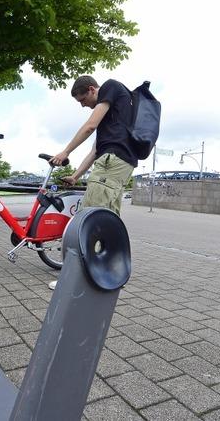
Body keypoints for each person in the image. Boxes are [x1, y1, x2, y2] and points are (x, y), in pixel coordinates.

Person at [48, 76, 136, 290]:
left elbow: (89, 127)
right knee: (109, 223)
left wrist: (65, 151)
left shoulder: (110, 87)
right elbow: (96, 150)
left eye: (82, 100)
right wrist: (76, 176)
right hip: (120, 162)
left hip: (112, 161)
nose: (83, 106)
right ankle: (111, 275)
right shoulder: (113, 117)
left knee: (87, 220)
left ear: (91, 89)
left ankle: (74, 280)